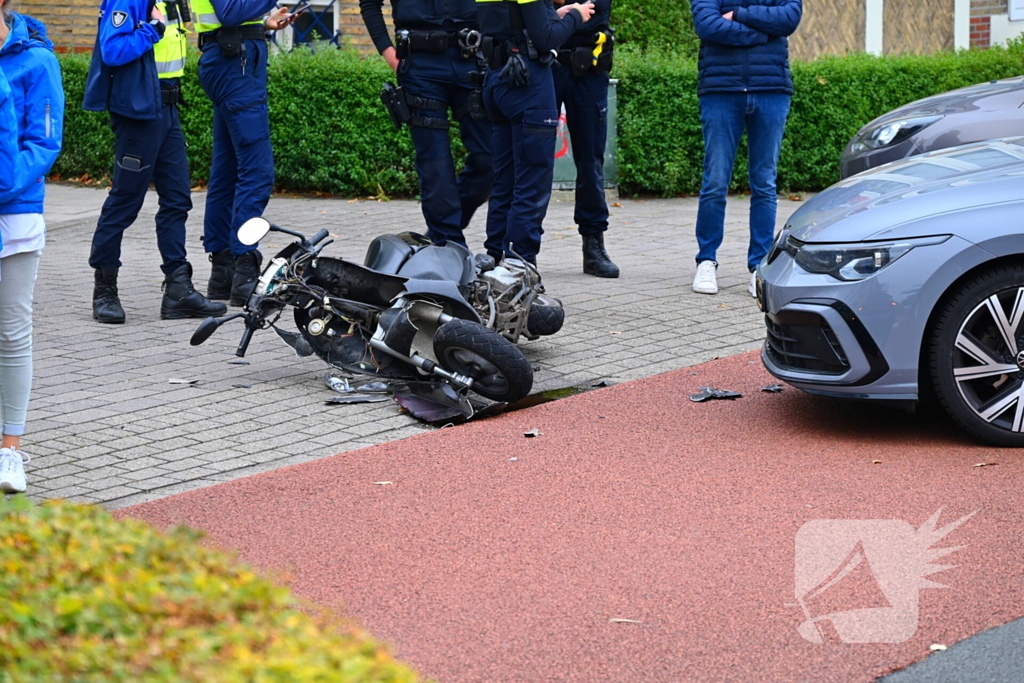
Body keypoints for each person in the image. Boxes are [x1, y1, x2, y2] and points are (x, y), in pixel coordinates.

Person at [84, 0, 228, 323]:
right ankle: (104, 289)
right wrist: (153, 29)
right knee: (125, 200)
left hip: (168, 107)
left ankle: (178, 290)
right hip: (139, 113)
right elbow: (112, 49)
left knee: (178, 198)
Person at [689, 0, 802, 297]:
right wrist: (765, 33)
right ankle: (706, 260)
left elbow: (789, 18)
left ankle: (759, 267)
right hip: (720, 90)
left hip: (772, 90)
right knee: (715, 181)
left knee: (764, 182)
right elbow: (707, 25)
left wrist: (739, 14)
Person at [361, 0, 493, 247]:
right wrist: (390, 55)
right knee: (435, 162)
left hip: (473, 59)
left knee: (490, 158)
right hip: (421, 63)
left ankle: (441, 232)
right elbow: (370, 4)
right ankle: (448, 243)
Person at [192, 1, 296, 307]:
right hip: (233, 67)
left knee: (227, 172)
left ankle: (223, 272)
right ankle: (244, 269)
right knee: (257, 170)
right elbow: (229, 12)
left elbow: (232, 15)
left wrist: (262, 24)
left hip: (230, 60)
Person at [477, 0, 594, 271]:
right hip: (527, 83)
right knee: (532, 180)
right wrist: (575, 16)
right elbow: (544, 38)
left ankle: (494, 255)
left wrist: (555, 15)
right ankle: (520, 264)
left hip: (497, 78)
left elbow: (514, 20)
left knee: (505, 178)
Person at [0, 1, 63, 493]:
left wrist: (3, 186)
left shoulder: (36, 60)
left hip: (15, 210)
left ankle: (10, 452)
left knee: (12, 331)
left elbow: (43, 142)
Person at [552, 0, 618, 278]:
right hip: (544, 63)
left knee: (590, 162)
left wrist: (556, 11)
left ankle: (593, 246)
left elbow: (595, 9)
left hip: (589, 68)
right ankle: (521, 250)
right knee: (532, 161)